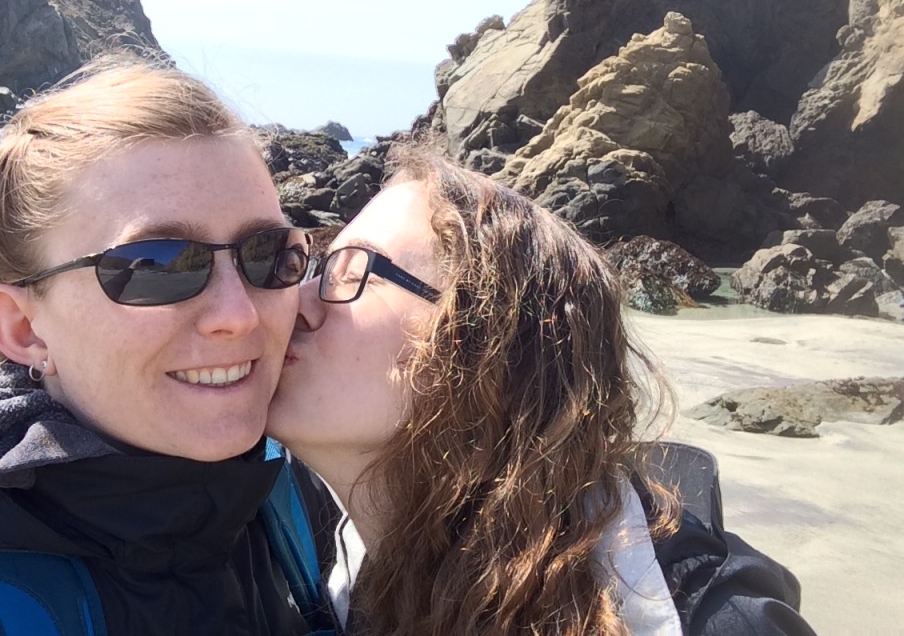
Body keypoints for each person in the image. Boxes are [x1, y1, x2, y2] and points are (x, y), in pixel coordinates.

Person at [267, 148, 817, 636]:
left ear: (486, 347)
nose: (293, 302)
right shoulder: (298, 554)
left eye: (350, 271)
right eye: (314, 266)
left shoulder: (707, 620)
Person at [0, 54, 332, 635]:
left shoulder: (294, 488)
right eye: (154, 266)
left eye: (270, 255)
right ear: (21, 327)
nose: (238, 316)